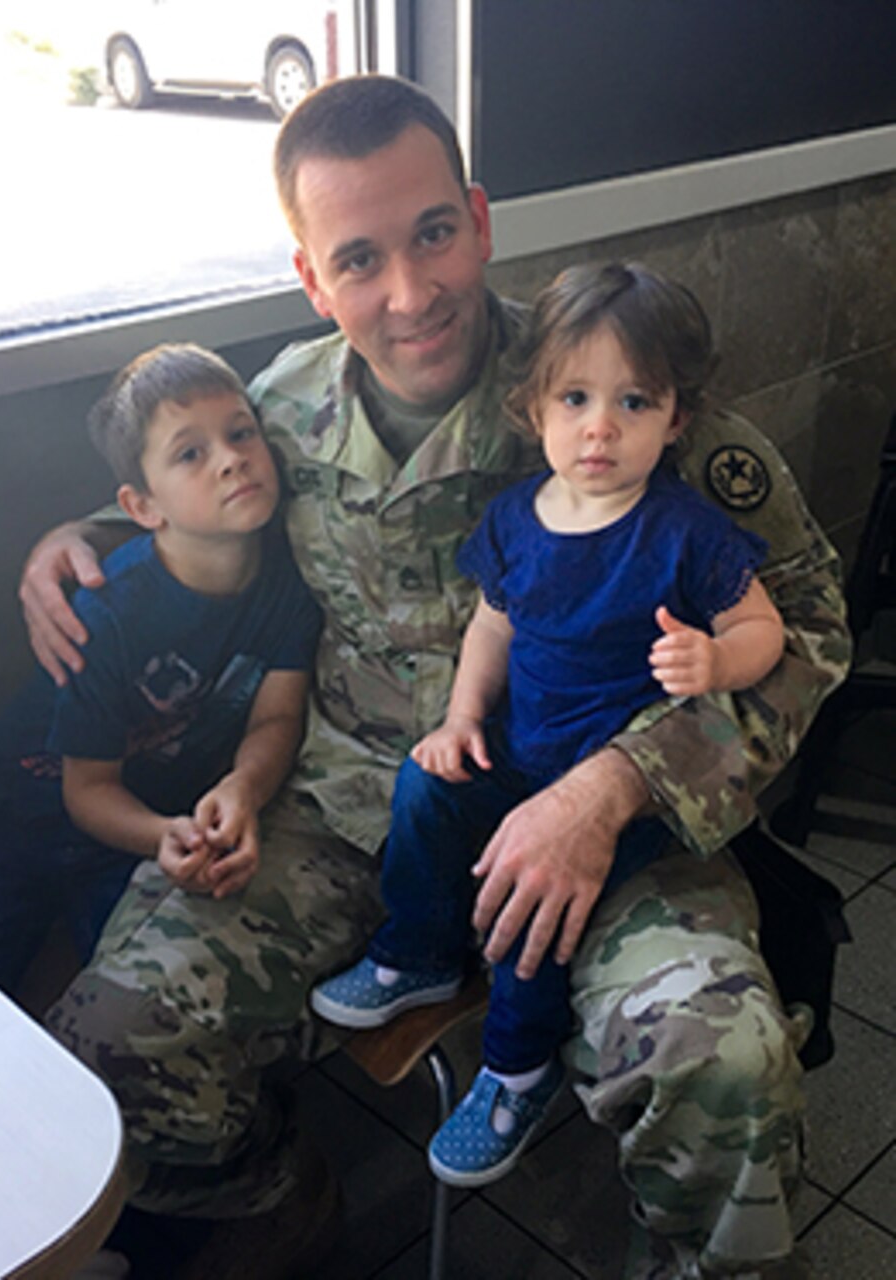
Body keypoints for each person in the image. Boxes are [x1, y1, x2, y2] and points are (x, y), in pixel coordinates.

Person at [21, 76, 850, 1280]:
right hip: (357, 805)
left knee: (725, 1063)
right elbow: (194, 495)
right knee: (108, 1038)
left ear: (480, 218)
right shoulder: (285, 410)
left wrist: (617, 785)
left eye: (433, 235)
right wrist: (87, 537)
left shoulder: (603, 382)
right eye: (358, 258)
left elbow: (811, 618)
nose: (409, 294)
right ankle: (267, 1194)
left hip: (603, 814)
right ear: (313, 278)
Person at [309, 261, 787, 1191]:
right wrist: (456, 722)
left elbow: (763, 625)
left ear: (675, 419)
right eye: (575, 397)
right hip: (518, 760)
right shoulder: (514, 521)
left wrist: (715, 661)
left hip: (623, 798)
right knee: (425, 787)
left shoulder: (682, 529)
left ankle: (515, 1072)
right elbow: (492, 623)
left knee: (532, 920)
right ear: (534, 408)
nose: (599, 426)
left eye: (633, 402)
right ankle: (413, 955)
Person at [0, 344, 321, 1000]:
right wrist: (164, 832)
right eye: (190, 453)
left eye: (241, 432)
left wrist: (242, 789)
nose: (230, 459)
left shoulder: (286, 584)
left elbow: (276, 715)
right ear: (142, 506)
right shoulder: (112, 608)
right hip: (26, 811)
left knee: (135, 996)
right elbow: (87, 790)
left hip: (136, 827)